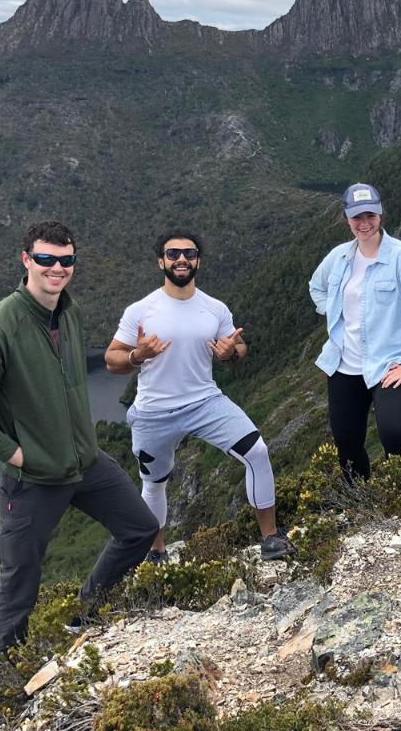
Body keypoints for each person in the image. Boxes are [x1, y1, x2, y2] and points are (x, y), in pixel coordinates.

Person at [0, 221, 158, 663]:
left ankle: (87, 612)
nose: (57, 268)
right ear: (26, 260)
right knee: (19, 579)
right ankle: (4, 677)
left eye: (66, 260)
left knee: (141, 529)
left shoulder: (69, 312)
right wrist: (20, 456)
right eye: (45, 259)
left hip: (85, 462)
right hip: (31, 479)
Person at [105, 231, 292, 562]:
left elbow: (238, 347)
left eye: (189, 254)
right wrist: (138, 355)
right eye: (173, 253)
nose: (181, 259)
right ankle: (156, 552)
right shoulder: (140, 310)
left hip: (205, 402)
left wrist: (231, 352)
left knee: (257, 451)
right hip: (154, 411)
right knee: (154, 483)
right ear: (161, 261)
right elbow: (111, 359)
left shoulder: (214, 308)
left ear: (198, 262)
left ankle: (271, 538)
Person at [309, 183, 401, 479]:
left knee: (396, 434)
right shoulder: (339, 257)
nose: (364, 223)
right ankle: (359, 500)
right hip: (344, 365)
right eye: (357, 216)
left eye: (370, 215)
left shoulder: (400, 256)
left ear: (380, 215)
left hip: (389, 363)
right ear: (347, 218)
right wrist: (335, 312)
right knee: (347, 442)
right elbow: (316, 286)